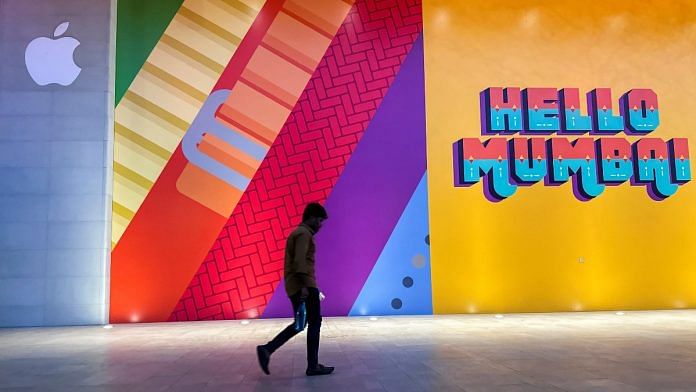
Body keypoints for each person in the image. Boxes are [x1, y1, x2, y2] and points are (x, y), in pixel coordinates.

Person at [256, 203, 334, 377]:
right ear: (312, 217)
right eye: (320, 220)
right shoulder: (303, 234)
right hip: (304, 286)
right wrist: (306, 287)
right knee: (315, 322)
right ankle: (312, 366)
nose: (321, 225)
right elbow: (299, 262)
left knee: (300, 324)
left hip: (298, 285)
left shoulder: (299, 233)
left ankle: (267, 349)